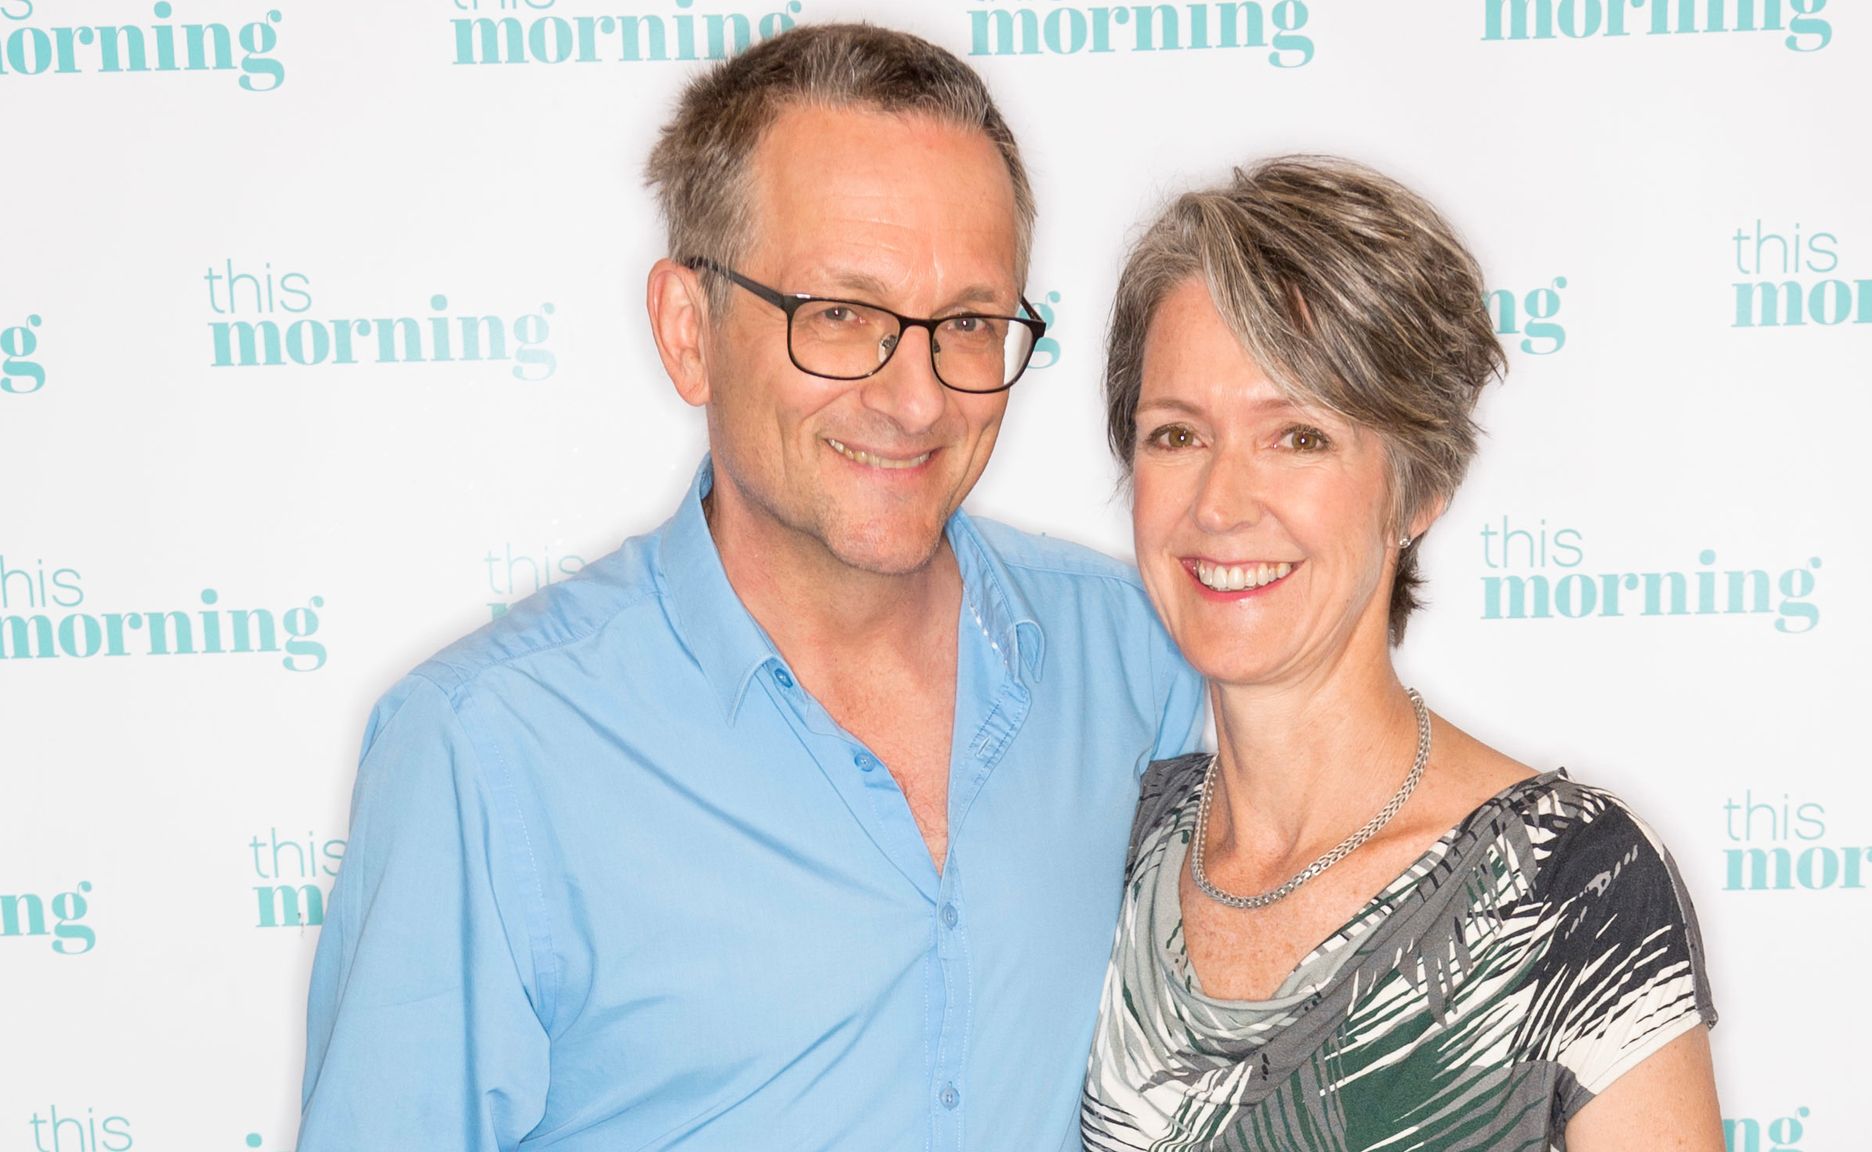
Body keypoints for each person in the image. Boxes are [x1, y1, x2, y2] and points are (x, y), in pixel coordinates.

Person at [298, 24, 1203, 1152]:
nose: (914, 398)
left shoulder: (1143, 656)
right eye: (839, 316)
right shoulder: (486, 753)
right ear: (688, 332)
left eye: (967, 324)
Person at [1081, 156, 1721, 1151]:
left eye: (1295, 437)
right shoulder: (1111, 854)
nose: (1217, 503)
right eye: (1174, 435)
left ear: (1416, 489)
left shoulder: (1569, 884)